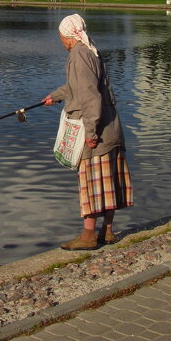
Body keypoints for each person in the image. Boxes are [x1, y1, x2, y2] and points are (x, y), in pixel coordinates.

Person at [43, 14, 133, 250]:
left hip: (97, 130)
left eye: (60, 36)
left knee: (92, 183)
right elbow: (80, 86)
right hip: (111, 127)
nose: (60, 40)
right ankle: (108, 232)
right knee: (109, 181)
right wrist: (56, 95)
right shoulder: (90, 49)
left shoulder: (78, 55)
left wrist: (91, 133)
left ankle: (88, 236)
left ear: (67, 36)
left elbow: (90, 96)